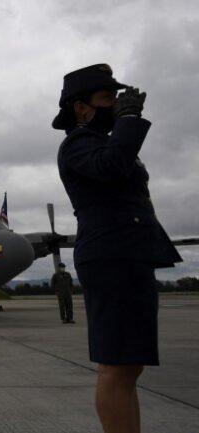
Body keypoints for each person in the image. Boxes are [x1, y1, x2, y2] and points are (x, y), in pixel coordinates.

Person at [52, 64, 182, 433]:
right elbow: (110, 167)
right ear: (82, 108)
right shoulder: (78, 144)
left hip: (127, 254)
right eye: (108, 98)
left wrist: (123, 124)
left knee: (129, 365)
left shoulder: (102, 143)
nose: (116, 104)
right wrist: (127, 120)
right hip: (112, 256)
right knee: (117, 364)